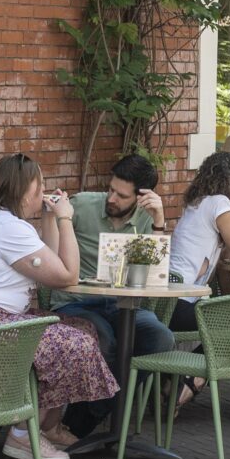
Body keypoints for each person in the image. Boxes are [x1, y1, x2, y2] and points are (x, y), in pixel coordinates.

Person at [0, 153, 119, 459]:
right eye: (40, 186)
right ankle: (23, 435)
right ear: (24, 190)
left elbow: (52, 265)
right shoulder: (8, 229)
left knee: (82, 329)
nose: (44, 191)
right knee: (75, 343)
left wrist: (49, 218)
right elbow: (67, 276)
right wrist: (65, 219)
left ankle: (44, 428)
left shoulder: (2, 223)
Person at [52, 153, 173, 438]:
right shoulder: (82, 205)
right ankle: (79, 427)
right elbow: (50, 250)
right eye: (110, 190)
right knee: (105, 339)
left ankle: (88, 420)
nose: (112, 198)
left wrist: (159, 221)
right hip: (78, 302)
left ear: (141, 197)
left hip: (124, 304)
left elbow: (154, 278)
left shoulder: (146, 218)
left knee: (160, 338)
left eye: (121, 195)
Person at [167, 150, 230, 292]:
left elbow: (225, 256)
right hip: (181, 297)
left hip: (174, 292)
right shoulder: (220, 203)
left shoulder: (202, 201)